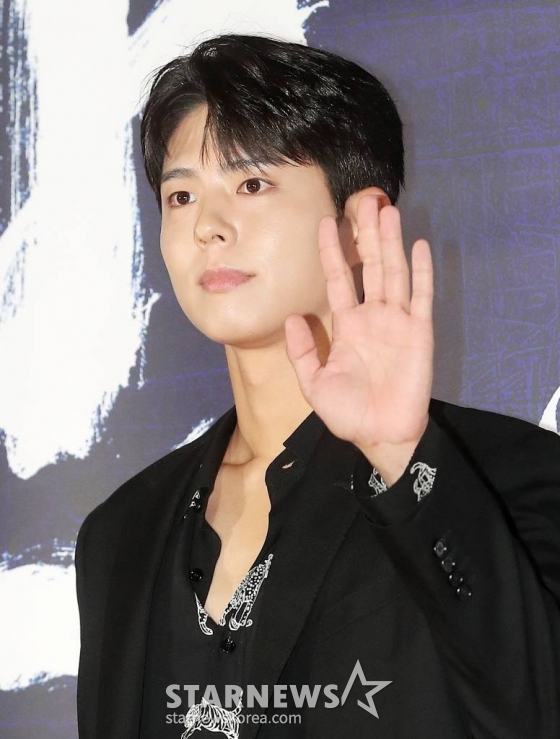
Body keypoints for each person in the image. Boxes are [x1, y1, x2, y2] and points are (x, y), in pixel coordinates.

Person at [75, 34, 560, 739]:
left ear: (360, 224)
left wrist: (401, 459)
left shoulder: (507, 478)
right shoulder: (120, 535)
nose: (207, 226)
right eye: (181, 195)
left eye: (251, 184)